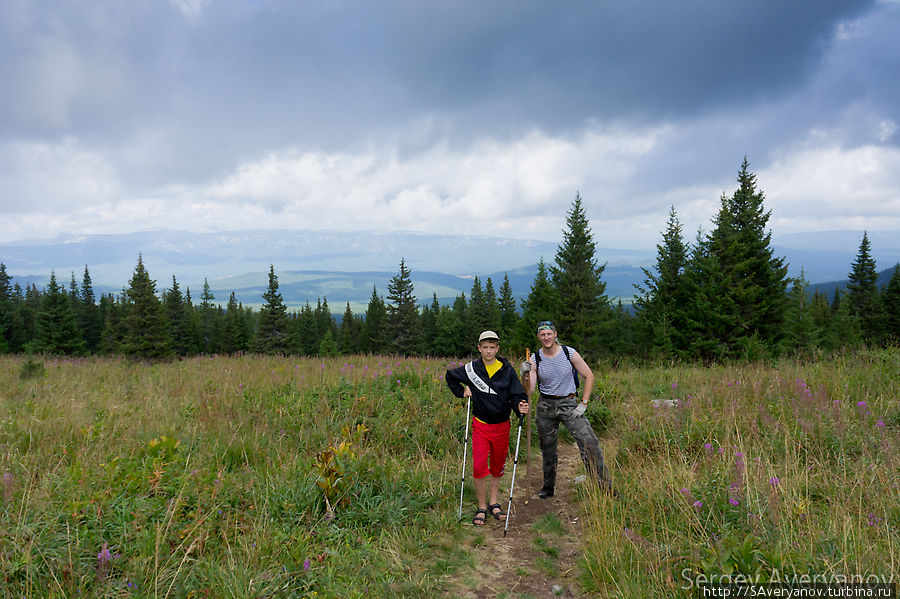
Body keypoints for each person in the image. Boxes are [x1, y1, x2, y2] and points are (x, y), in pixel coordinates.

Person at [520, 321, 615, 499]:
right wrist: (524, 374)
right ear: (539, 337)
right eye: (543, 335)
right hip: (546, 405)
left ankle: (605, 488)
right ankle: (548, 487)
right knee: (547, 449)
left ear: (555, 334)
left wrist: (584, 403)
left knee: (589, 443)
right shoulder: (534, 359)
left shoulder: (568, 353)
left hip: (569, 402)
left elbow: (589, 375)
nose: (546, 337)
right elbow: (530, 390)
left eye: (549, 334)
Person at [446, 330, 530, 526]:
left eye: (492, 347)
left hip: (502, 426)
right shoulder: (471, 369)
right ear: (479, 348)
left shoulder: (507, 370)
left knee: (497, 466)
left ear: (497, 348)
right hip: (481, 426)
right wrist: (462, 391)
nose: (489, 351)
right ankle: (482, 506)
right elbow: (450, 376)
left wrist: (520, 405)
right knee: (478, 466)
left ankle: (494, 503)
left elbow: (517, 394)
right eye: (485, 347)